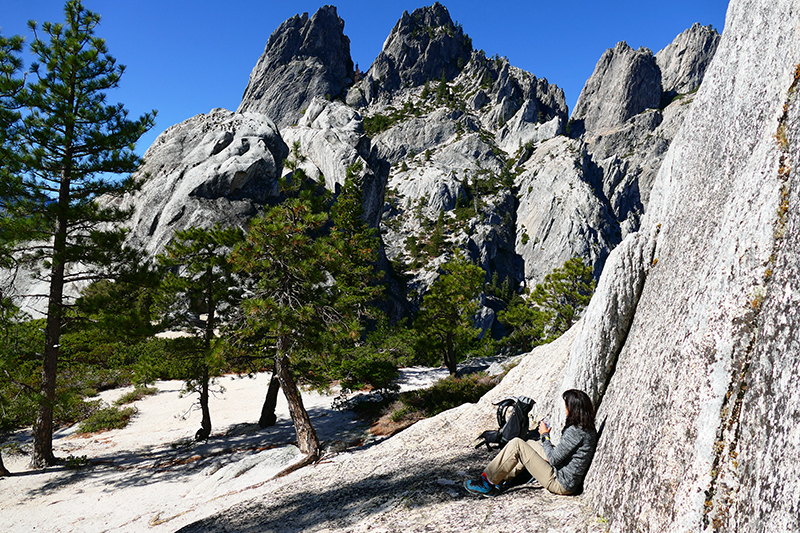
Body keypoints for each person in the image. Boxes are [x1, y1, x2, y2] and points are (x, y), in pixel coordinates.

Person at [464, 389, 598, 497]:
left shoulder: (576, 431)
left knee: (517, 444)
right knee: (528, 444)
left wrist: (545, 435)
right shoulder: (585, 427)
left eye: (566, 405)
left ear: (572, 408)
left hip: (560, 483)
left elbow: (553, 459)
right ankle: (502, 478)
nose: (565, 409)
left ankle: (486, 483)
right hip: (563, 472)